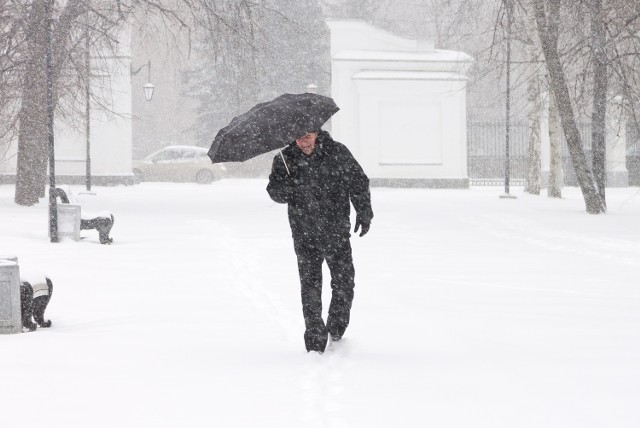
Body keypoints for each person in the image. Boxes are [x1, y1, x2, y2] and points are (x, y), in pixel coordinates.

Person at [267, 129, 373, 353]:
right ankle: (315, 338)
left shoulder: (337, 152)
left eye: (306, 137)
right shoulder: (284, 159)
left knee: (344, 283)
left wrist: (364, 212)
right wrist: (289, 190)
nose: (302, 142)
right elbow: (274, 191)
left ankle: (336, 327)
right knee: (310, 286)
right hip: (304, 231)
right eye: (297, 138)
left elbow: (358, 181)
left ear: (316, 133)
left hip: (335, 230)